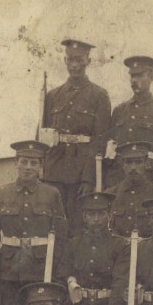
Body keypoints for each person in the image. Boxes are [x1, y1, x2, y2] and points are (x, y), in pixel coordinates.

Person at [0, 140, 68, 305]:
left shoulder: (52, 195)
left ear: (40, 166)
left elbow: (60, 236)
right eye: (24, 162)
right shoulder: (1, 194)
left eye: (34, 163)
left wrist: (56, 275)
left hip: (40, 273)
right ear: (16, 163)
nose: (28, 167)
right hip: (9, 273)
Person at [41, 39, 111, 231]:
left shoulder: (99, 96)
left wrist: (89, 178)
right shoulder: (52, 96)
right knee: (53, 224)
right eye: (70, 60)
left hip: (81, 173)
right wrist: (42, 171)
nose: (74, 65)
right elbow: (43, 134)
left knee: (78, 227)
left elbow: (100, 139)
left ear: (88, 61)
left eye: (79, 60)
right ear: (65, 60)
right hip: (54, 170)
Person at [106, 55, 153, 189]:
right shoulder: (120, 111)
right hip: (120, 177)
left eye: (139, 76)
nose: (134, 81)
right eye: (132, 76)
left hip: (149, 178)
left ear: (151, 77)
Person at [105, 141, 153, 238]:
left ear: (146, 164)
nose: (133, 167)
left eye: (138, 162)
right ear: (123, 165)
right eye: (128, 162)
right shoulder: (111, 195)